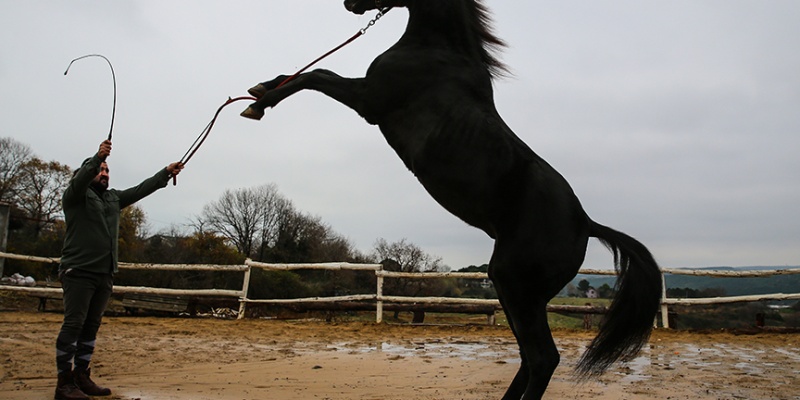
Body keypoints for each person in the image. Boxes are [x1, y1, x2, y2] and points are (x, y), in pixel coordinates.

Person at [54, 140, 183, 400]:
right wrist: (96, 157)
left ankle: (81, 376)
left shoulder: (113, 199)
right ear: (87, 173)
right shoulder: (75, 196)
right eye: (100, 170)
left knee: (91, 327)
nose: (104, 173)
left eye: (107, 170)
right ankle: (63, 383)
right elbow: (80, 181)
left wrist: (165, 173)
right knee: (74, 324)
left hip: (104, 273)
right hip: (78, 271)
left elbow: (140, 190)